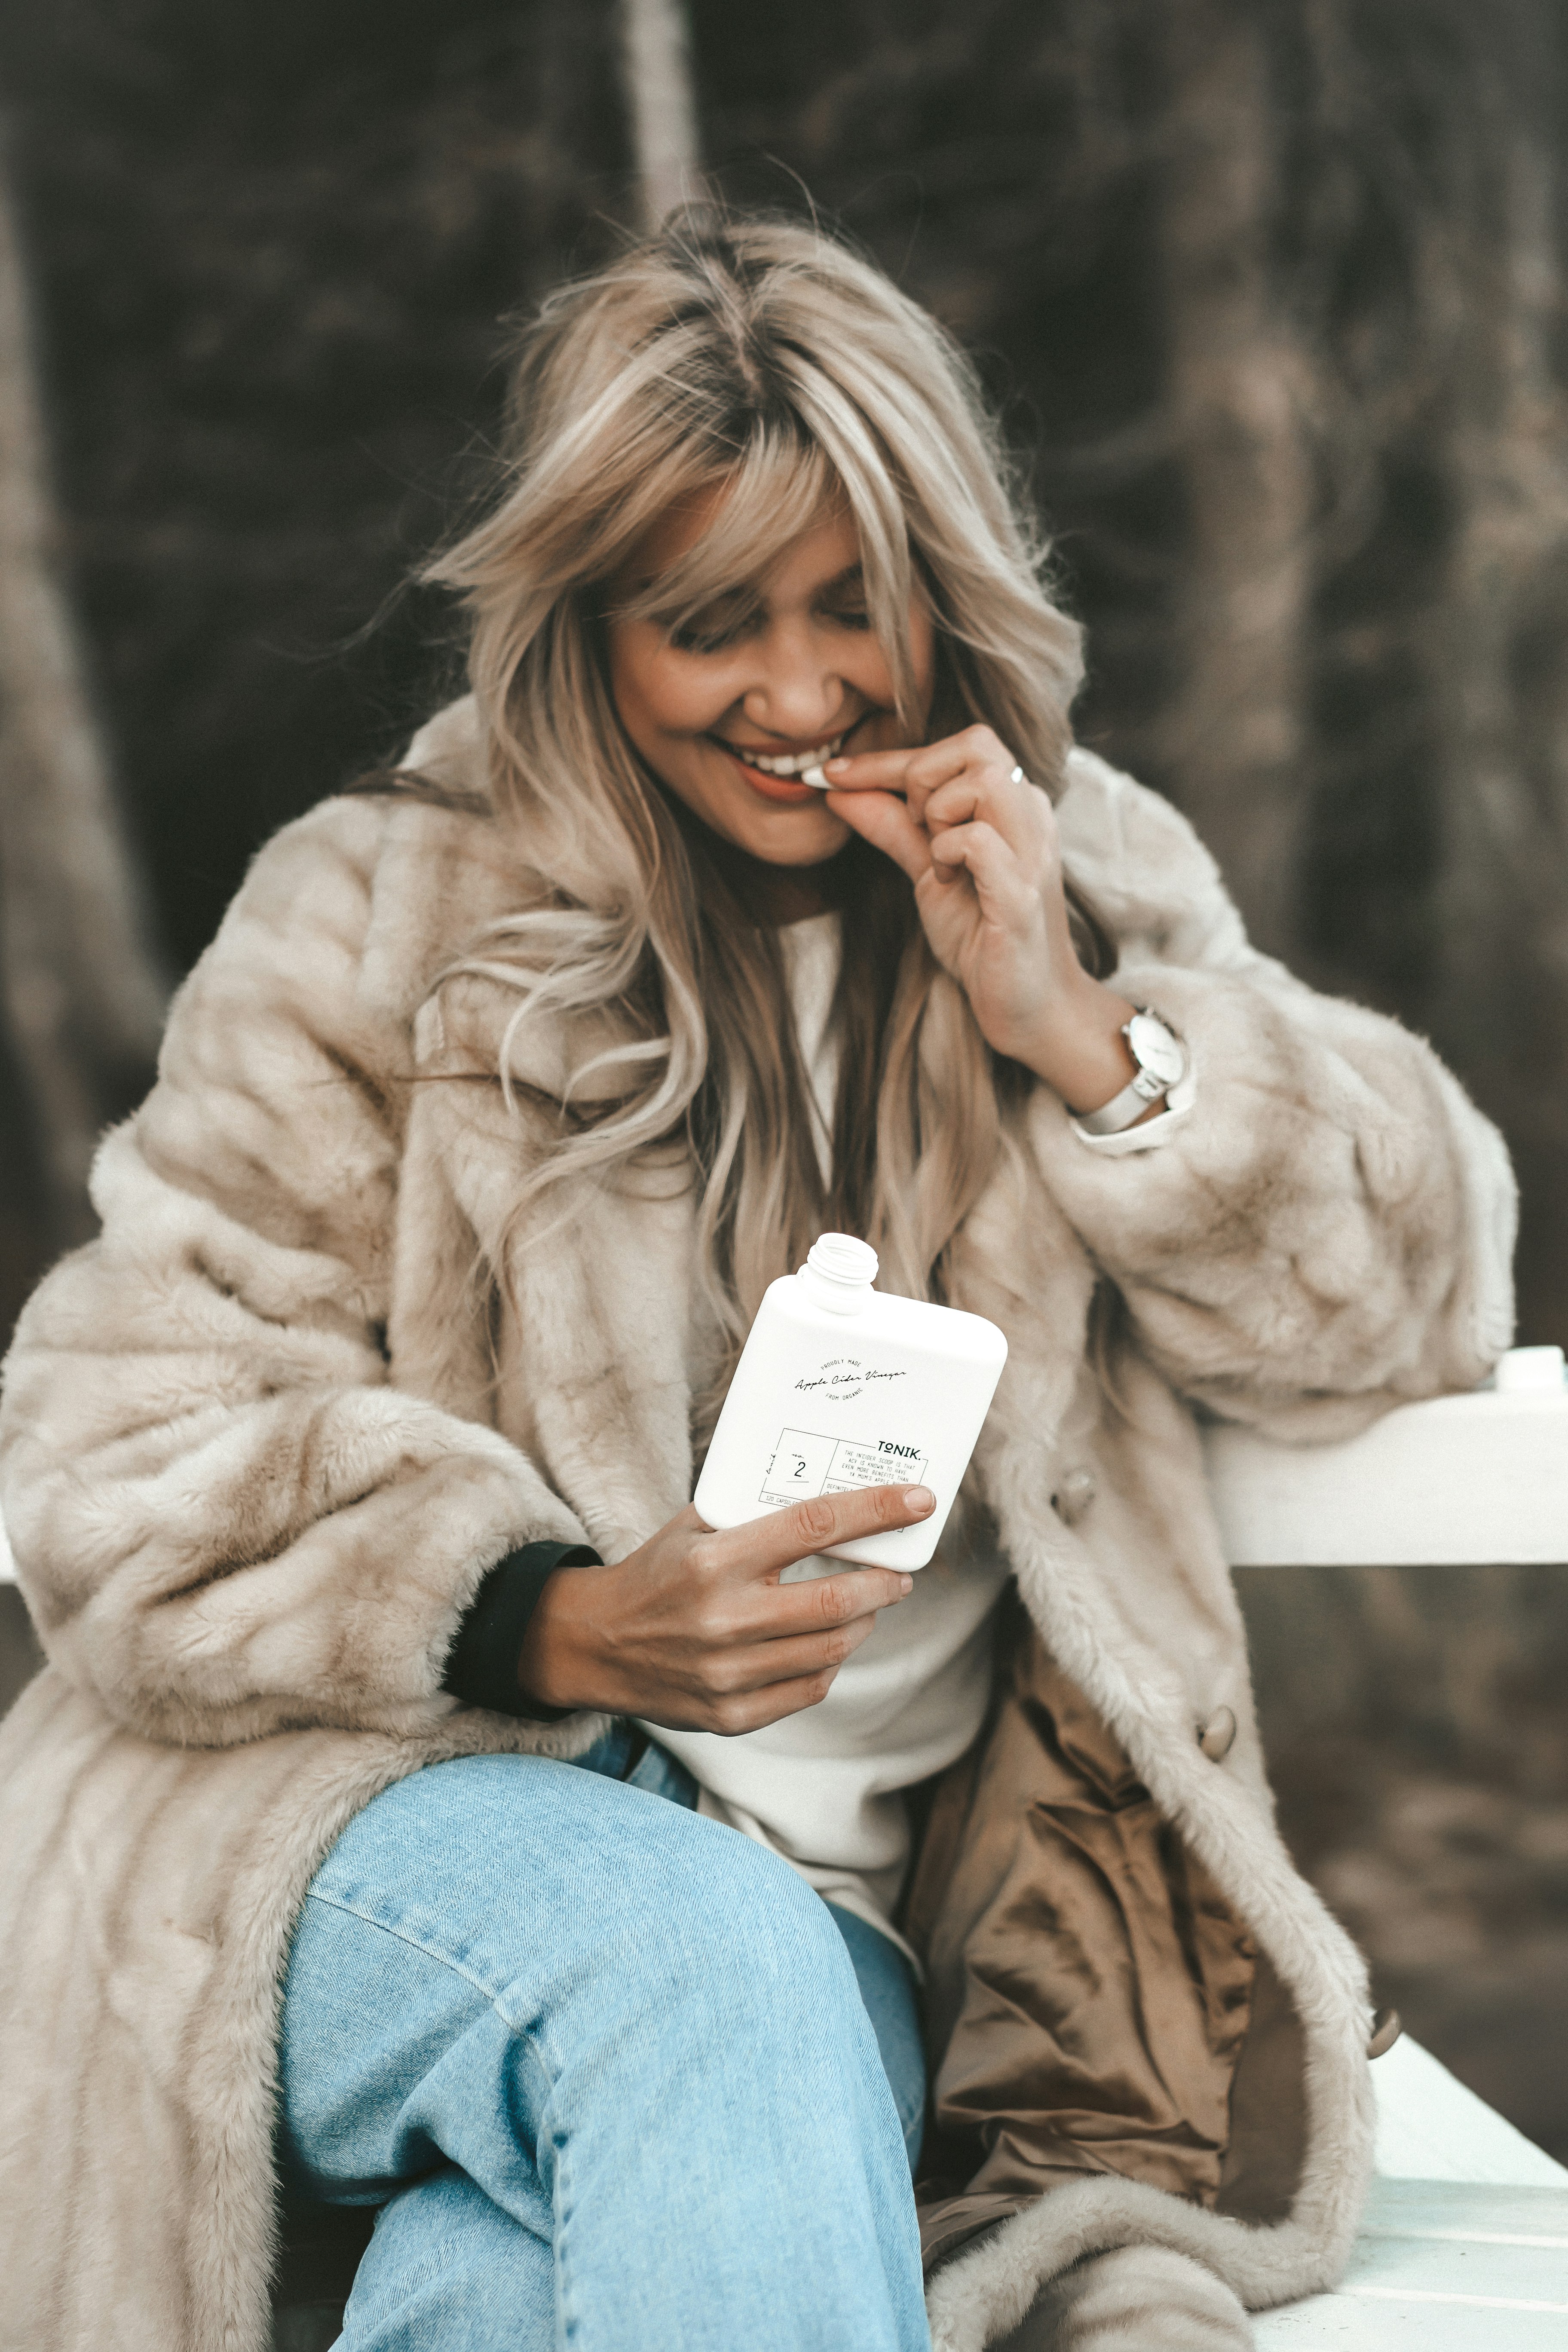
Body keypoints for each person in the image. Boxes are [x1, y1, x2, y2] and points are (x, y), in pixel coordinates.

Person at [0, 211, 1516, 2352]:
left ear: (940, 594)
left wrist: (1082, 1030)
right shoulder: (383, 910)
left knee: (505, 2288)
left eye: (851, 606)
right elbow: (114, 1442)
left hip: (844, 1962)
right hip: (338, 1850)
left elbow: (1414, 1292)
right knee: (696, 1961)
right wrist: (553, 1617)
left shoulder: (1074, 868)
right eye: (712, 625)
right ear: (592, 632)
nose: (800, 697)